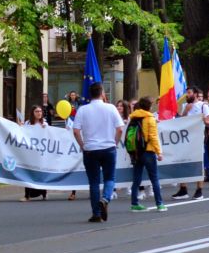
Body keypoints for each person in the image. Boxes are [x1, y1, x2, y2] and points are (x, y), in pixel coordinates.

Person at [69, 83, 124, 222]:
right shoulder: (111, 108)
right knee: (110, 178)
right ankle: (105, 199)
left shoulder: (82, 110)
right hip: (108, 148)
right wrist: (115, 142)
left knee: (93, 183)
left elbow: (75, 131)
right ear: (102, 93)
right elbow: (120, 129)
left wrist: (82, 145)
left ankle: (96, 214)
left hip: (90, 150)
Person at [126, 97, 166, 211]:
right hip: (148, 151)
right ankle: (160, 204)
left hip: (136, 152)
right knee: (154, 178)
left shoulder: (133, 117)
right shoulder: (149, 118)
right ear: (149, 106)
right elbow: (153, 137)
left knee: (136, 179)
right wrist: (159, 152)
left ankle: (134, 204)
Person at [22, 105, 50, 200]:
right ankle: (27, 195)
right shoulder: (28, 123)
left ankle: (44, 193)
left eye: (40, 111)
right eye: (37, 111)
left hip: (41, 153)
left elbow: (50, 136)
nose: (39, 113)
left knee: (41, 173)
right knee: (29, 172)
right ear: (33, 113)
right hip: (30, 152)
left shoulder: (45, 123)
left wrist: (44, 129)